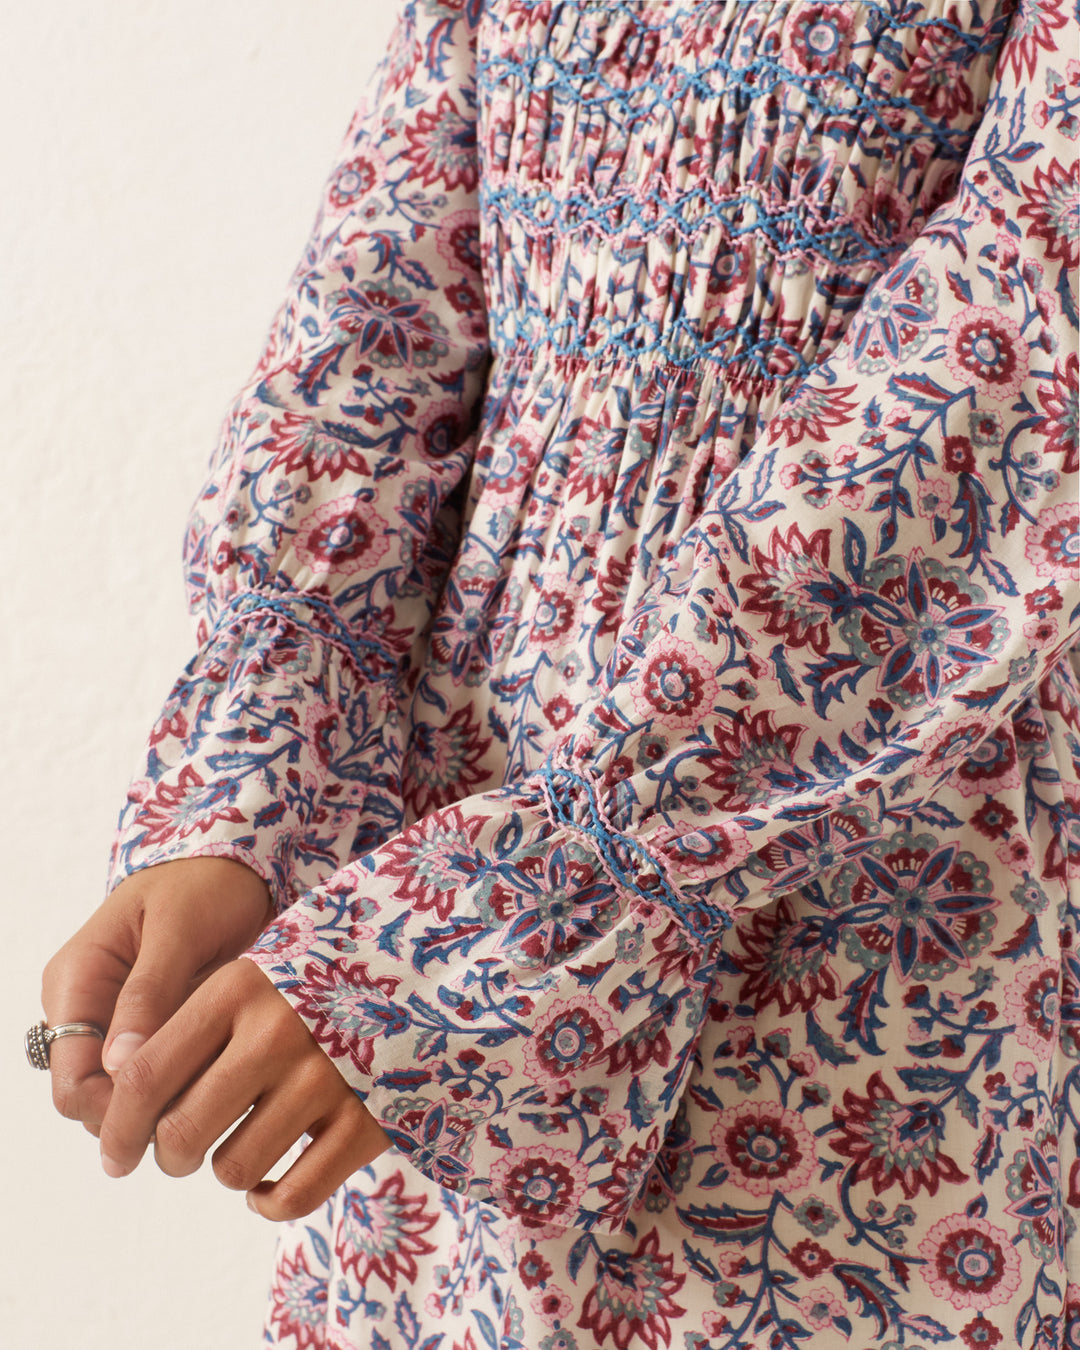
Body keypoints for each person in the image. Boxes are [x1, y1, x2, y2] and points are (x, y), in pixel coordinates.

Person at [33, 0, 1080, 1346]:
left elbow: (998, 386)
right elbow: (378, 327)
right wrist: (247, 794)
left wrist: (498, 913)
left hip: (869, 940)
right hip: (440, 950)